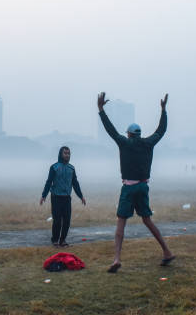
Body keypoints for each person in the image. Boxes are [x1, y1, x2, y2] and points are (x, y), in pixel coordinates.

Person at [98, 92, 174, 272]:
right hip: (143, 187)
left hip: (129, 188)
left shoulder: (124, 143)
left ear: (129, 134)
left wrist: (101, 109)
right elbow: (160, 130)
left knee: (121, 222)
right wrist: (163, 111)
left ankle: (116, 258)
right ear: (138, 134)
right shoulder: (148, 143)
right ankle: (167, 251)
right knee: (147, 220)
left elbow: (111, 130)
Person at [40, 146, 86, 247]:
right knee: (57, 220)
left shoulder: (71, 168)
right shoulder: (54, 167)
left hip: (66, 198)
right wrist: (44, 195)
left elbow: (75, 183)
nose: (67, 155)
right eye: (65, 153)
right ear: (61, 154)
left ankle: (63, 240)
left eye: (68, 153)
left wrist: (81, 196)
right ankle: (55, 240)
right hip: (56, 197)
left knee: (67, 220)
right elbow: (49, 182)